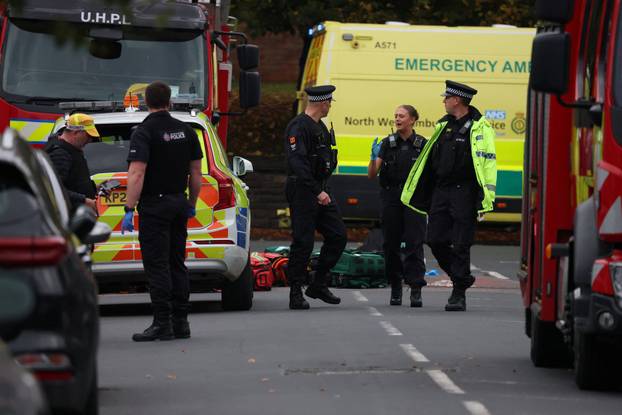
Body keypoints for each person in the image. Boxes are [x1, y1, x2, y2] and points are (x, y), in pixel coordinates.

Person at [401, 80, 497, 311]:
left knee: (462, 243)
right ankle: (461, 277)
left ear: (457, 100)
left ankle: (458, 294)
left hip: (464, 192)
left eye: (446, 98)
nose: (443, 101)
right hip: (441, 191)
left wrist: (485, 198)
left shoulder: (480, 128)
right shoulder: (443, 126)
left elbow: (488, 165)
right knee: (435, 239)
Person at [122, 81, 203, 341]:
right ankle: (181, 322)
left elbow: (137, 172)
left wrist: (128, 208)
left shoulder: (144, 132)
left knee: (157, 266)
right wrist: (191, 203)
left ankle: (162, 323)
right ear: (169, 101)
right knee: (177, 262)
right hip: (179, 202)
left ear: (147, 101)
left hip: (155, 206)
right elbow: (196, 173)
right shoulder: (187, 130)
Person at [284, 84, 347, 310]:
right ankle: (295, 292)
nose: (330, 106)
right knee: (303, 242)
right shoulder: (298, 127)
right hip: (304, 191)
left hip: (321, 189)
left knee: (338, 236)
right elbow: (298, 163)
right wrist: (316, 191)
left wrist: (322, 189)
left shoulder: (320, 127)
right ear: (323, 103)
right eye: (329, 102)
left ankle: (318, 283)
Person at [367, 105, 427, 307]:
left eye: (401, 116)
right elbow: (372, 174)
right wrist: (373, 158)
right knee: (390, 244)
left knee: (414, 243)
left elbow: (430, 175)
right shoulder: (387, 143)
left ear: (412, 120)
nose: (397, 119)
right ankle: (395, 286)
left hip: (414, 200)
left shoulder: (422, 145)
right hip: (391, 197)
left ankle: (416, 288)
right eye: (395, 116)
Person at [45, 113, 100, 213]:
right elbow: (54, 189)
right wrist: (84, 200)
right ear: (76, 133)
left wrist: (93, 187)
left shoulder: (71, 150)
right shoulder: (60, 154)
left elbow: (73, 181)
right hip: (69, 217)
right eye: (88, 135)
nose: (89, 140)